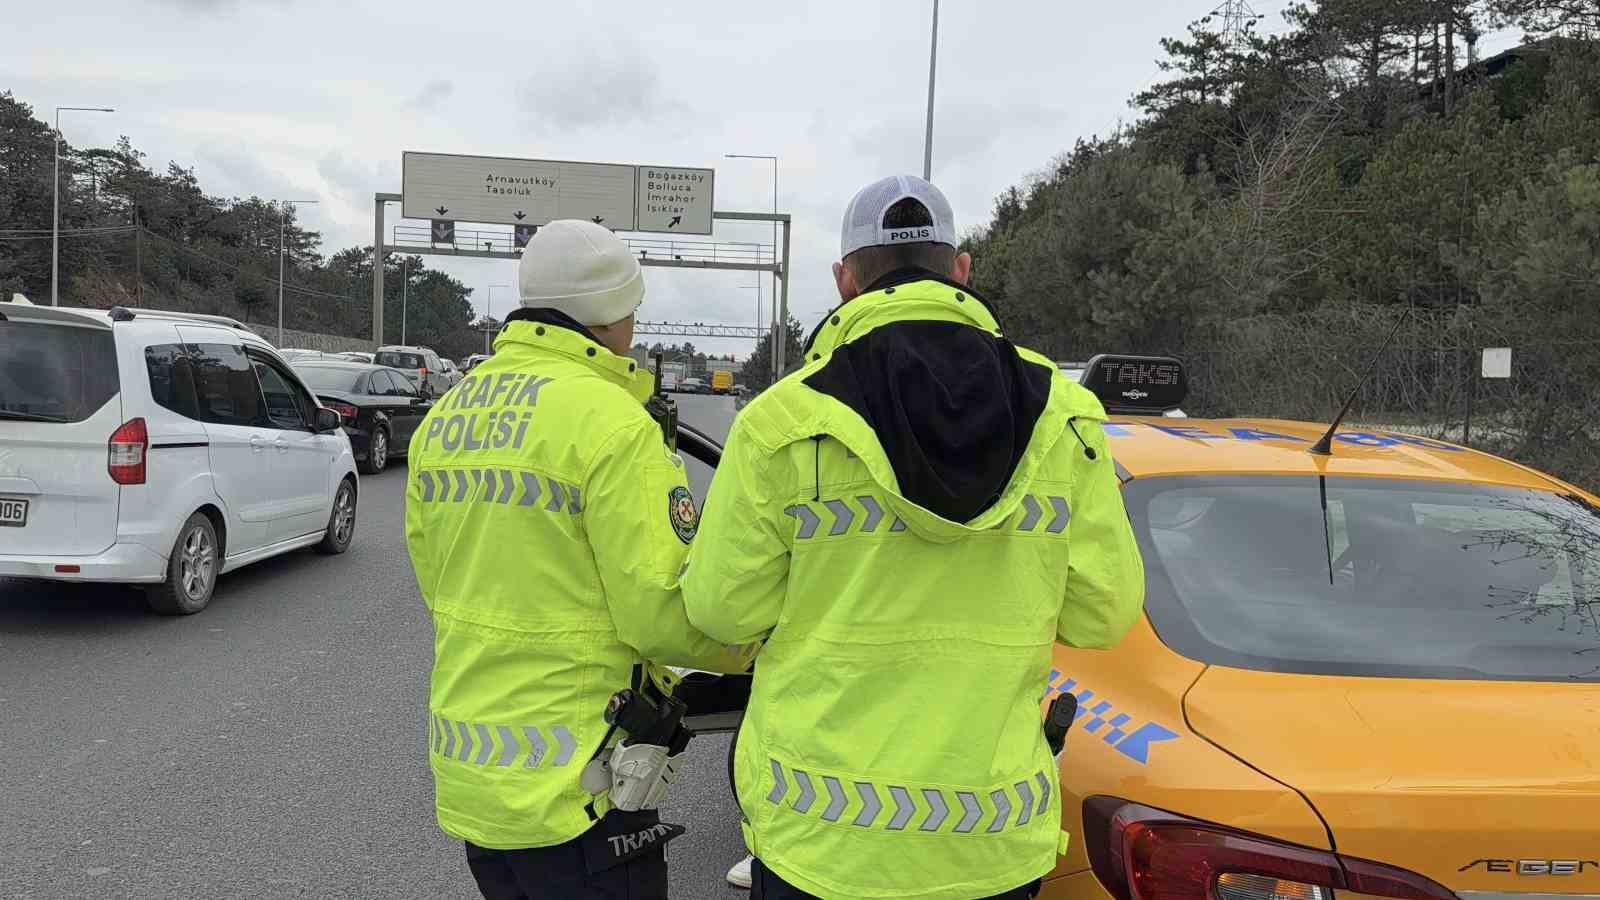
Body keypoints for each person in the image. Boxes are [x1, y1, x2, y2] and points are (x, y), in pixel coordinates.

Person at [684, 176, 1146, 900]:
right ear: (960, 269)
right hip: (991, 845)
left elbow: (721, 613)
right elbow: (1103, 614)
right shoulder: (1067, 416)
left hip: (822, 843)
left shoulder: (782, 421)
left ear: (844, 281)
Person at [404, 218, 752, 900]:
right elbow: (663, 615)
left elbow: (435, 576)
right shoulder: (614, 424)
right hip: (582, 785)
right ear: (612, 314)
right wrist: (755, 647)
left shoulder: (448, 415)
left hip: (475, 775)